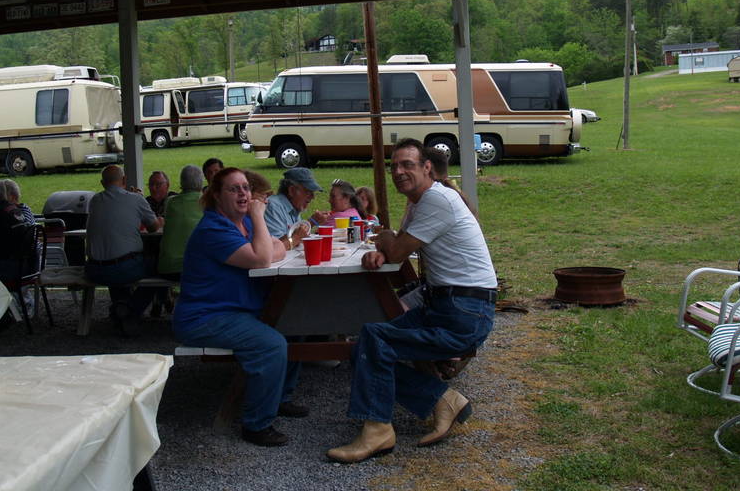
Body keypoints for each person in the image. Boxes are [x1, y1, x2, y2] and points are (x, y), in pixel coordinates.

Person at [327, 138, 497, 463]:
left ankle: (377, 430)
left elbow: (396, 247)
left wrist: (386, 243)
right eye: (395, 167)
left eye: (408, 164)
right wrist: (383, 246)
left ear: (427, 168)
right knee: (364, 344)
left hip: (465, 312)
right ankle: (441, 399)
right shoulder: (421, 202)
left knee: (375, 339)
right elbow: (393, 245)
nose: (399, 172)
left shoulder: (436, 200)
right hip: (445, 304)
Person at [173, 167, 306, 447]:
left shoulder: (241, 225)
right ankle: (256, 424)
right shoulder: (213, 229)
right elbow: (262, 258)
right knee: (271, 344)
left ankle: (278, 397)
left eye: (246, 187)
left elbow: (276, 249)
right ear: (217, 195)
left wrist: (265, 243)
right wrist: (259, 217)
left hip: (236, 311)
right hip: (206, 317)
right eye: (234, 189)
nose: (244, 193)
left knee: (294, 323)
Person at [85, 165, 163, 337]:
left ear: (102, 183)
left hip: (93, 269)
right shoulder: (136, 199)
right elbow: (153, 228)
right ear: (125, 180)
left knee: (117, 259)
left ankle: (120, 306)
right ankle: (131, 310)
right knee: (159, 267)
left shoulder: (95, 201)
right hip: (123, 268)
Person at [264, 167, 322, 251]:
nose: (313, 197)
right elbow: (275, 247)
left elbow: (298, 237)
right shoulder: (273, 206)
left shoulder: (294, 206)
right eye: (308, 192)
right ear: (291, 190)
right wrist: (311, 222)